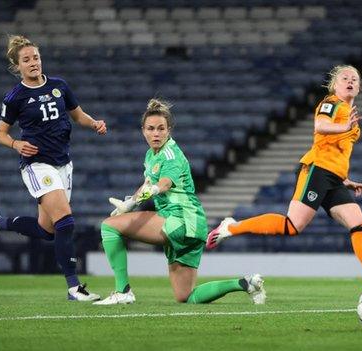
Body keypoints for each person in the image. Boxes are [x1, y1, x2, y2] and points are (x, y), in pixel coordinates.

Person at [207, 65, 362, 290]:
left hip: (334, 177)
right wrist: (343, 126)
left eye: (355, 78)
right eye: (345, 78)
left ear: (359, 87)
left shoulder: (352, 120)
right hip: (316, 170)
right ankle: (231, 227)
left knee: (360, 224)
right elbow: (320, 126)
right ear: (335, 85)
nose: (350, 81)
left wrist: (345, 179)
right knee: (292, 225)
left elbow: (337, 152)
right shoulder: (331, 103)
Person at [94, 98, 265, 305]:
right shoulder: (151, 155)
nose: (156, 133)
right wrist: (130, 203)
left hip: (179, 218)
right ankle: (244, 283)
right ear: (143, 130)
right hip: (194, 225)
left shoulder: (170, 153)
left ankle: (123, 291)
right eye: (151, 128)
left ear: (169, 130)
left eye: (161, 128)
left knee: (109, 227)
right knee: (186, 296)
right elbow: (148, 183)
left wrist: (154, 190)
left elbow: (164, 183)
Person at [0, 35, 106, 301]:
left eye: (35, 57)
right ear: (17, 66)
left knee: (47, 230)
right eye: (26, 60)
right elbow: (0, 134)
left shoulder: (59, 86)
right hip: (37, 165)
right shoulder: (15, 97)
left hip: (63, 164)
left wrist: (94, 123)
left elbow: (78, 115)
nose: (33, 62)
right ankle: (73, 287)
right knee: (66, 221)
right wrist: (16, 144)